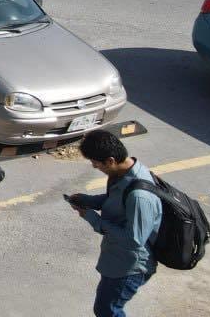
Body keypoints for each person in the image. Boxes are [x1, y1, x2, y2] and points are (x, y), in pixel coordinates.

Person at [68, 130, 162, 317]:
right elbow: (116, 200)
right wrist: (88, 200)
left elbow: (133, 240)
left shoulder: (139, 196)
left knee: (107, 310)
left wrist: (92, 218)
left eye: (96, 163)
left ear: (110, 161)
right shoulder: (126, 173)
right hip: (116, 259)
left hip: (130, 267)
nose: (95, 167)